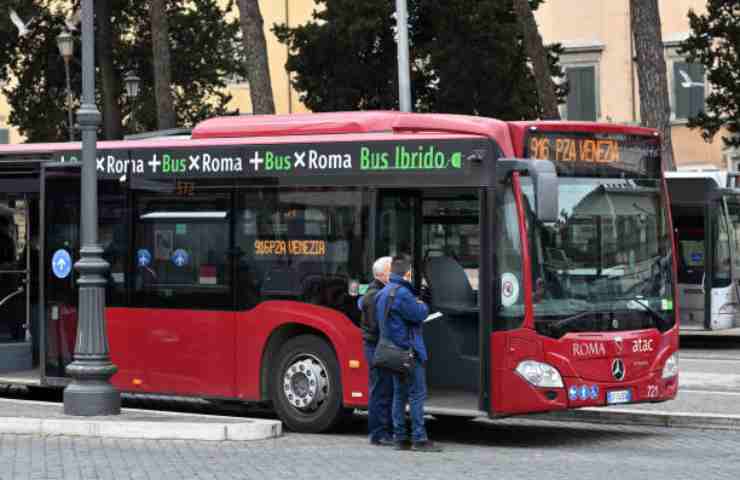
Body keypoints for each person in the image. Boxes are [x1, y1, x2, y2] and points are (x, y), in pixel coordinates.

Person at [375, 255, 442, 452]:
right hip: (408, 352)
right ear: (407, 273)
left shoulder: (384, 292)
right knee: (416, 395)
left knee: (398, 395)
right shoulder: (403, 294)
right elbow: (419, 314)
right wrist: (422, 304)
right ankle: (419, 439)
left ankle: (400, 437)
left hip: (392, 353)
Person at [357, 256, 394, 446]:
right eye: (392, 270)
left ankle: (383, 431)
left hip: (377, 346)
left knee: (383, 388)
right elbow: (376, 326)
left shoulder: (377, 292)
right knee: (380, 389)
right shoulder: (375, 295)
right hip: (376, 347)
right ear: (383, 274)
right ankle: (379, 433)